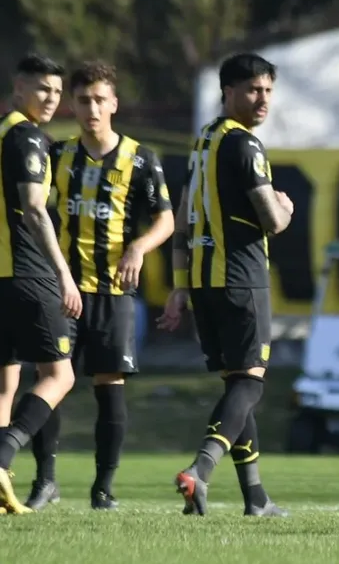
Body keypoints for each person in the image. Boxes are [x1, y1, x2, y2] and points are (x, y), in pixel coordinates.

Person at [12, 61, 175, 511]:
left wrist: (139, 248)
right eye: (83, 100)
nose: (92, 109)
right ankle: (45, 481)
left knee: (110, 386)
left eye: (100, 99)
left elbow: (166, 219)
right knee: (52, 380)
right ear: (73, 105)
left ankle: (103, 489)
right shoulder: (56, 154)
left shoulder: (141, 159)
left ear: (114, 104)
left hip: (114, 293)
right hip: (61, 290)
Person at [157, 53, 292, 517]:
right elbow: (273, 221)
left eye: (268, 90)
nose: (263, 100)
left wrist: (179, 287)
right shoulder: (245, 145)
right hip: (241, 279)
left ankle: (256, 498)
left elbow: (180, 223)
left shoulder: (203, 143)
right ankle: (200, 469)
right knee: (250, 386)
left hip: (203, 284)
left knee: (238, 385)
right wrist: (286, 206)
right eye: (253, 90)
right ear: (228, 92)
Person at [0, 54, 82, 515]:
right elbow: (33, 209)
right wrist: (63, 273)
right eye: (42, 89)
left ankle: (1, 482)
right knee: (59, 374)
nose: (51, 98)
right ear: (18, 88)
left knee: (4, 384)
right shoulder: (26, 136)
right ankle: (3, 456)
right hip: (28, 274)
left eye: (56, 90)